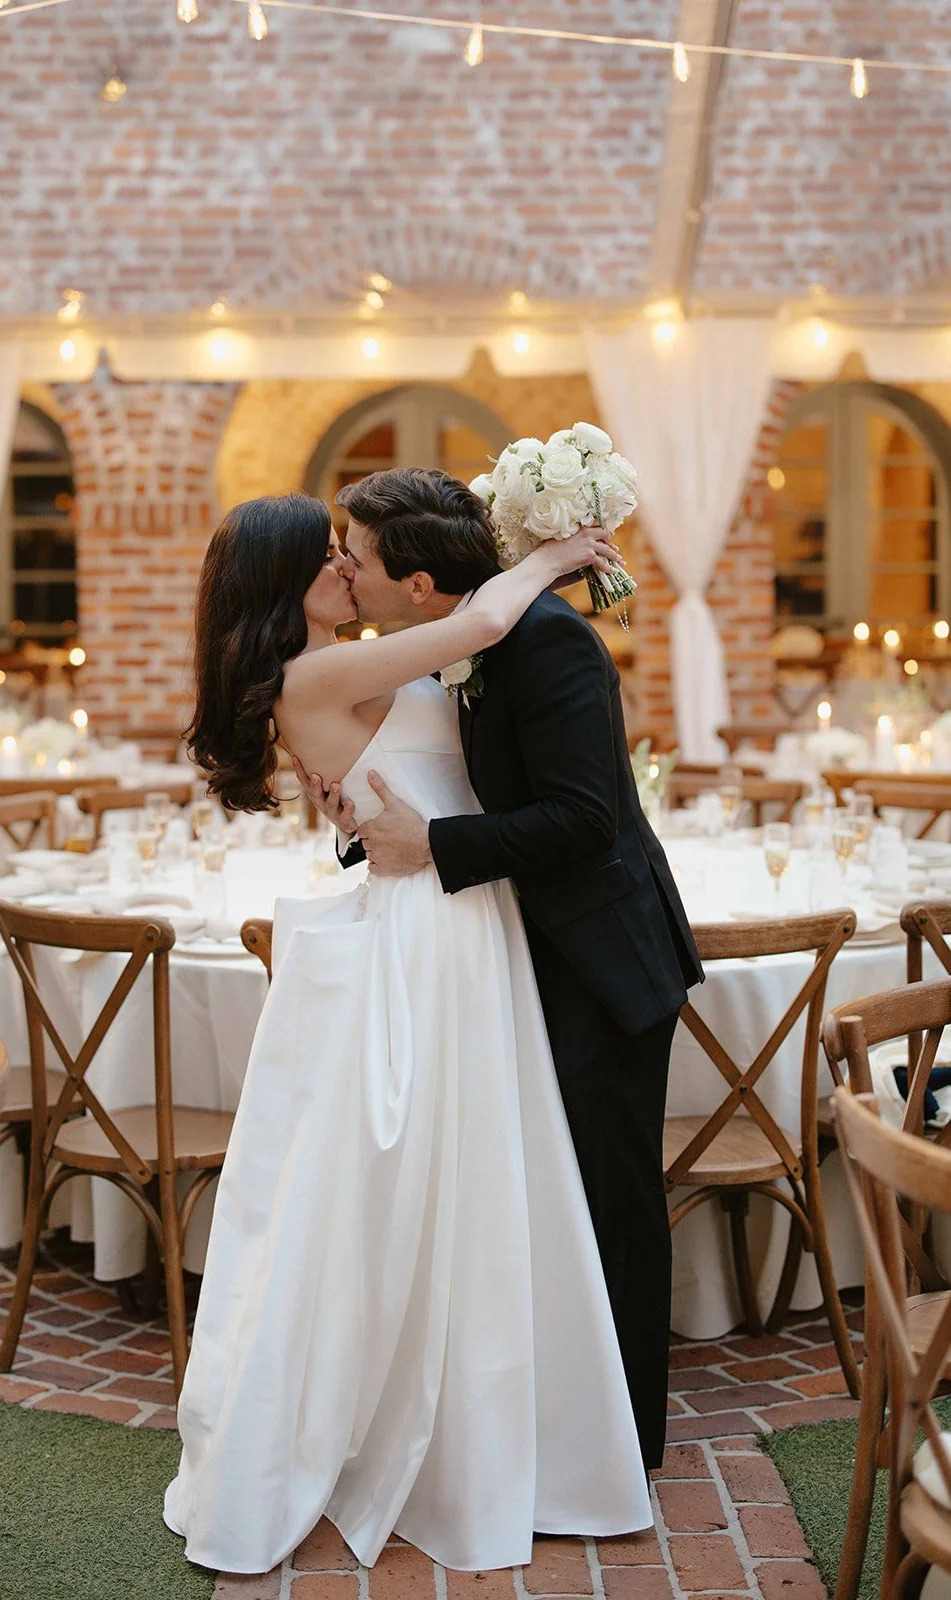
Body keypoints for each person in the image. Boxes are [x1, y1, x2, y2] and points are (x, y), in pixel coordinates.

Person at [164, 491, 652, 1574]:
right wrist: (556, 555)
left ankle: (476, 1410)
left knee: (466, 1171)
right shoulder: (316, 672)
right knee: (438, 1171)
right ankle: (424, 1421)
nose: (346, 568)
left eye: (350, 554)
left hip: (457, 913)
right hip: (430, 932)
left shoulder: (352, 664)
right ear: (287, 578)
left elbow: (426, 738)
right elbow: (478, 627)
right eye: (328, 556)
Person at [298, 468, 703, 1473]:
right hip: (524, 953)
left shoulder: (549, 642)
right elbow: (447, 782)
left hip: (601, 959)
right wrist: (370, 834)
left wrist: (430, 848)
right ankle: (555, 1419)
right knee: (543, 1200)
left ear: (421, 586)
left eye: (358, 554)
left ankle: (628, 1440)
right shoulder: (459, 647)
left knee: (607, 1203)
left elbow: (581, 820)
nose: (344, 567)